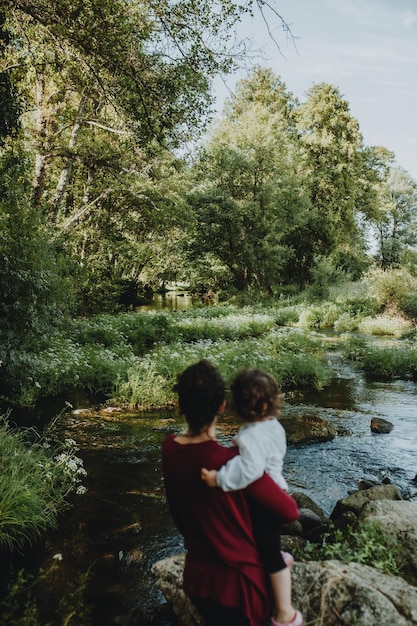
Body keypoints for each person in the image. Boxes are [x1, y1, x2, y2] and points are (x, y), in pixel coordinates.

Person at [161, 360, 300, 626]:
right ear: (222, 406)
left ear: (179, 406)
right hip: (242, 590)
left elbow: (180, 516)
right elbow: (289, 512)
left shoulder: (169, 450)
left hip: (198, 581)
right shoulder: (233, 464)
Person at [201, 368, 302, 626]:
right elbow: (262, 454)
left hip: (264, 500)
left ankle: (284, 613)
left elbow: (250, 470)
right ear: (272, 402)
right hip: (276, 490)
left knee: (268, 554)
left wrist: (218, 479)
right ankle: (278, 556)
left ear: (238, 405)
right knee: (262, 542)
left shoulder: (251, 434)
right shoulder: (272, 426)